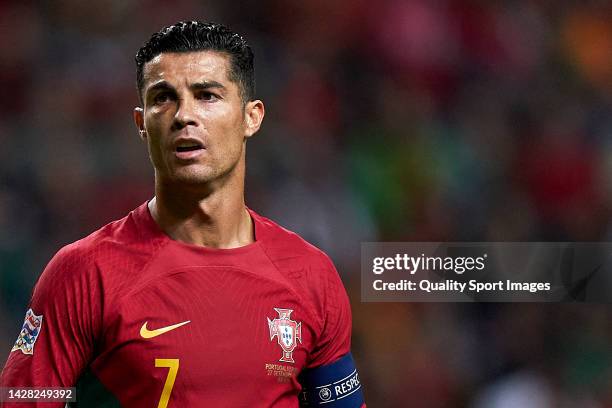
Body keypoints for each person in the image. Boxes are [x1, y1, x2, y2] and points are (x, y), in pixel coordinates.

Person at [0, 21, 365, 407]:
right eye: (163, 98)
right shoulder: (85, 273)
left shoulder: (310, 275)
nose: (183, 115)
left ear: (251, 118)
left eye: (207, 95)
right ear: (142, 125)